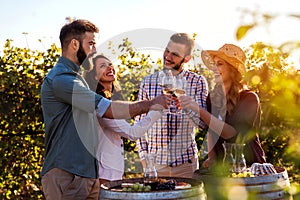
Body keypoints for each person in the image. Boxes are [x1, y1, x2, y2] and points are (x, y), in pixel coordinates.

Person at [40, 19, 170, 200]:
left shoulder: (77, 79)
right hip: (67, 174)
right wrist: (151, 104)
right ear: (74, 44)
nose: (94, 50)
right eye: (91, 44)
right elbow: (107, 109)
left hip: (85, 174)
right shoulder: (62, 79)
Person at [178, 43, 266, 169]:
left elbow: (231, 134)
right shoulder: (213, 98)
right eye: (214, 64)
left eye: (220, 64)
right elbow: (211, 129)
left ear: (232, 69)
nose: (214, 68)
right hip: (222, 170)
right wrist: (212, 156)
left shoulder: (249, 98)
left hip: (249, 167)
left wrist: (198, 109)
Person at [135, 33, 209, 178]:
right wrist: (145, 161)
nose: (168, 57)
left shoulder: (197, 82)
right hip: (155, 165)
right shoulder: (148, 82)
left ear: (186, 59)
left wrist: (189, 108)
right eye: (167, 51)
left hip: (186, 165)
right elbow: (139, 126)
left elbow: (202, 125)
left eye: (175, 54)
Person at [83, 54, 163, 185]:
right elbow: (132, 133)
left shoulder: (110, 101)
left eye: (110, 64)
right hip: (104, 172)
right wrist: (157, 110)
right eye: (102, 66)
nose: (109, 67)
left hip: (111, 170)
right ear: (94, 76)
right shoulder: (101, 106)